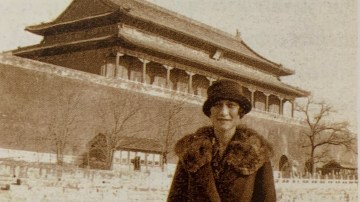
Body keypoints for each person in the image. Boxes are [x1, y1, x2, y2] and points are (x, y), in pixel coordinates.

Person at [167, 79, 276, 202]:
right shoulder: (191, 151)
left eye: (231, 105)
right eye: (217, 105)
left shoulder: (257, 153)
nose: (223, 112)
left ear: (240, 112)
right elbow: (175, 198)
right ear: (210, 111)